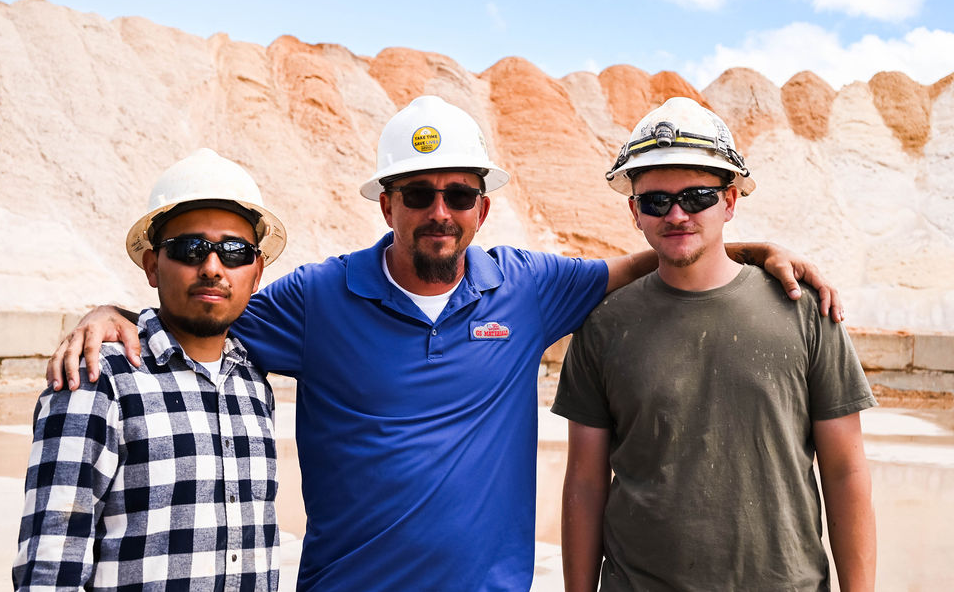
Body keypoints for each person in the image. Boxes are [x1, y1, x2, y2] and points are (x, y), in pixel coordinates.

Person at [48, 96, 842, 591]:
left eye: (459, 193)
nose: (440, 210)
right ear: (387, 202)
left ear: (483, 208)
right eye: (419, 194)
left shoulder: (527, 288)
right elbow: (206, 304)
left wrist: (749, 250)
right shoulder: (317, 298)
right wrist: (109, 307)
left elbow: (651, 255)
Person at [554, 97, 877, 592]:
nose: (677, 214)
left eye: (698, 196)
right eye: (656, 201)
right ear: (634, 212)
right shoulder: (602, 326)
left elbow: (845, 471)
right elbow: (585, 481)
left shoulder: (805, 310)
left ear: (729, 201)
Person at [13, 149, 287, 590]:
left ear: (256, 274)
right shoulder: (98, 379)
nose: (213, 268)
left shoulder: (253, 382)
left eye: (234, 251)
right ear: (152, 266)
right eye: (190, 249)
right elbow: (51, 562)